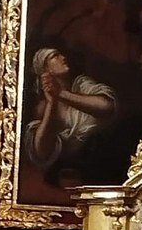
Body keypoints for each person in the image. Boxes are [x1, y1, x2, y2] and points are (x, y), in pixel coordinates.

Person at [24, 47, 115, 181]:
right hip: (65, 173)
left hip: (102, 161)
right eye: (55, 56)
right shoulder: (42, 108)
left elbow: (107, 107)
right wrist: (52, 102)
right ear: (46, 69)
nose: (63, 57)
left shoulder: (81, 85)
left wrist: (61, 94)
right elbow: (41, 151)